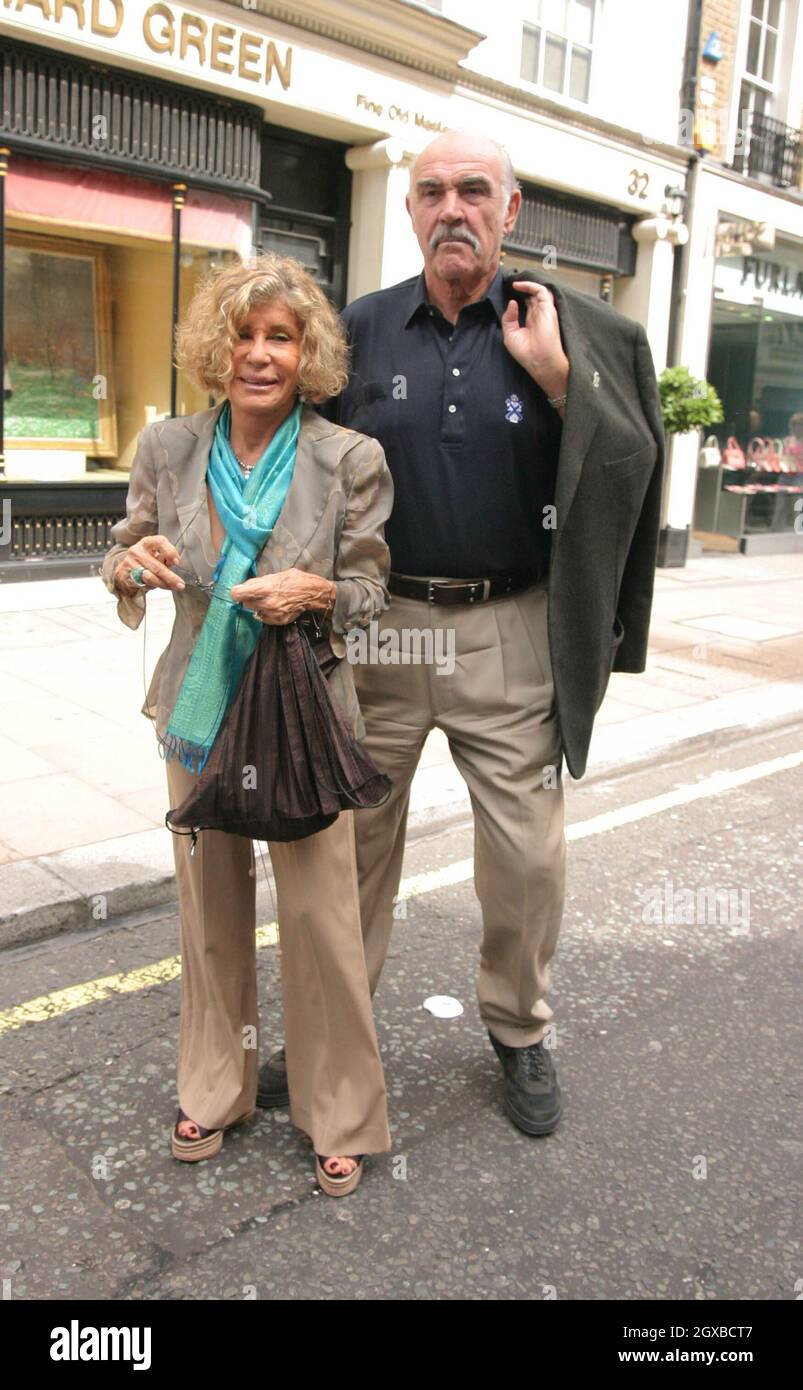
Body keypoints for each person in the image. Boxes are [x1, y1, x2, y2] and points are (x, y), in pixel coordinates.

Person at [257, 132, 665, 1138]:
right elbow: (292, 464)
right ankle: (326, 1030)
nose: (453, 208)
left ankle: (519, 1029)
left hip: (510, 632)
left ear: (510, 210)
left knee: (527, 855)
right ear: (407, 208)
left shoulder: (568, 328)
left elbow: (631, 467)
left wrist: (559, 380)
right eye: (431, 191)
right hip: (383, 632)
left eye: (473, 191)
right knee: (348, 848)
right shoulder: (355, 332)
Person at [100, 254, 394, 1197]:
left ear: (306, 353)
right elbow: (126, 552)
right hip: (197, 710)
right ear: (213, 346)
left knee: (319, 919)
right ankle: (215, 1088)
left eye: (280, 336)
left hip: (303, 715)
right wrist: (131, 567)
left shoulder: (349, 458)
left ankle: (337, 1108)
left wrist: (316, 593)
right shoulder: (167, 447)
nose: (258, 354)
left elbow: (371, 592)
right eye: (243, 334)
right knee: (210, 916)